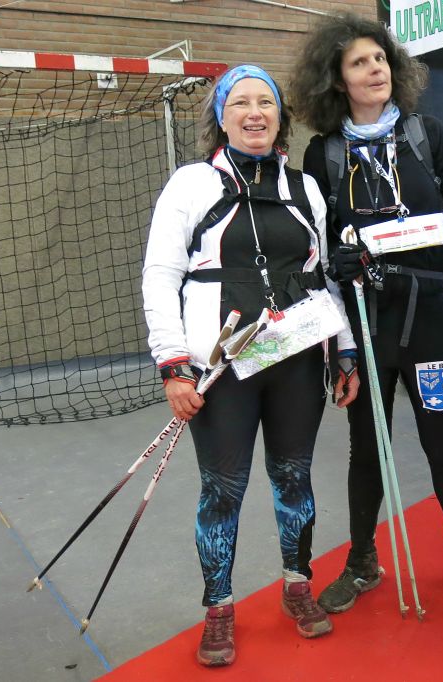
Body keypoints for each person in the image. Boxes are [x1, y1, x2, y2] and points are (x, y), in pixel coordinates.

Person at [141, 64, 360, 667]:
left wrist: (343, 348)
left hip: (294, 361)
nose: (255, 113)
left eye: (265, 102)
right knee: (222, 492)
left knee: (294, 478)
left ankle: (297, 582)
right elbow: (160, 276)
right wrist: (173, 365)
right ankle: (219, 607)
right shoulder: (190, 185)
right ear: (221, 116)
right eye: (241, 103)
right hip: (221, 367)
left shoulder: (304, 189)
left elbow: (318, 280)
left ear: (280, 116)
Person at [289, 13, 443, 616]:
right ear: (337, 79)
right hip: (367, 324)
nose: (375, 69)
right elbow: (317, 247)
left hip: (434, 315)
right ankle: (362, 560)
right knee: (367, 449)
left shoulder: (423, 133)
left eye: (381, 58)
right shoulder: (324, 155)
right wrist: (340, 255)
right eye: (360, 62)